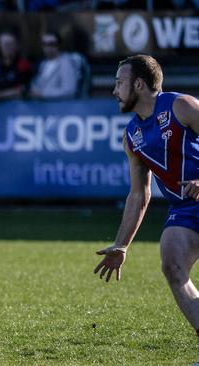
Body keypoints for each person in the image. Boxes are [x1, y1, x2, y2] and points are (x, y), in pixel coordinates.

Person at [94, 54, 199, 336]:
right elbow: (139, 195)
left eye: (119, 83)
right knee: (172, 264)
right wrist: (121, 245)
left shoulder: (181, 105)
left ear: (138, 84)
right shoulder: (131, 137)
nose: (115, 91)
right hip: (187, 208)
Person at [29, 31, 79, 100]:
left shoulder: (66, 63)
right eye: (44, 44)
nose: (47, 47)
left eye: (51, 44)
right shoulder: (43, 63)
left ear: (59, 45)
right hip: (43, 106)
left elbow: (69, 90)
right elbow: (38, 84)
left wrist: (42, 94)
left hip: (59, 107)